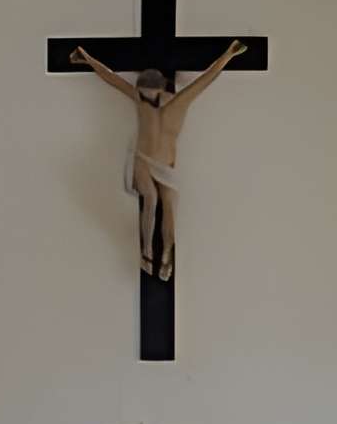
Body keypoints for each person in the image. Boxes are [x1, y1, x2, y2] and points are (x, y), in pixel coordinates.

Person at [68, 39, 245, 280]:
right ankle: (147, 251)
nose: (146, 96)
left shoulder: (180, 102)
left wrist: (228, 54)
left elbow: (207, 78)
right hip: (143, 160)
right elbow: (112, 78)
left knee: (169, 208)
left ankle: (167, 257)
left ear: (161, 89)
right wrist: (87, 59)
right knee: (150, 199)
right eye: (143, 93)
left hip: (166, 167)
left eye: (149, 92)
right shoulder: (142, 101)